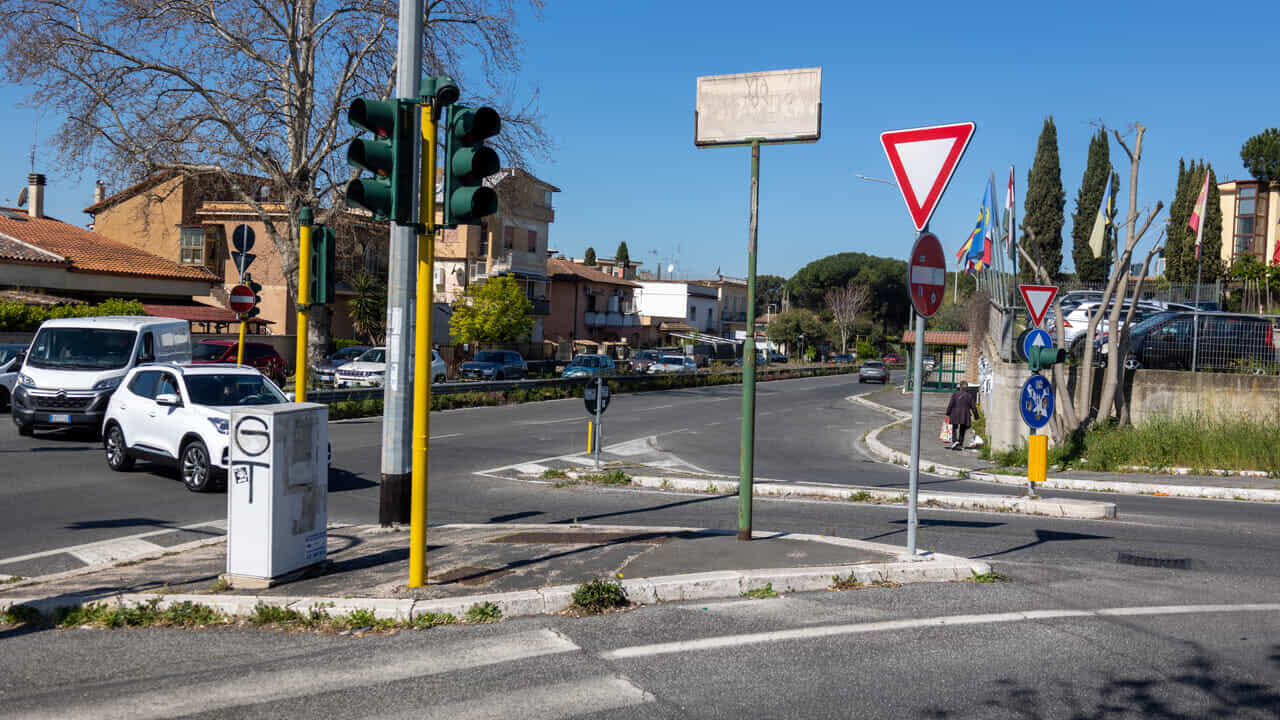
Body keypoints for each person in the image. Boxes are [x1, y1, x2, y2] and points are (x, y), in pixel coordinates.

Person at [945, 382, 977, 450]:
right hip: (964, 414)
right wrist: (976, 416)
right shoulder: (969, 396)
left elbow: (951, 404)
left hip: (955, 413)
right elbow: (973, 407)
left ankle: (955, 440)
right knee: (962, 429)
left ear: (960, 387)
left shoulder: (955, 394)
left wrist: (948, 412)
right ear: (967, 388)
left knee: (954, 427)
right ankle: (960, 443)